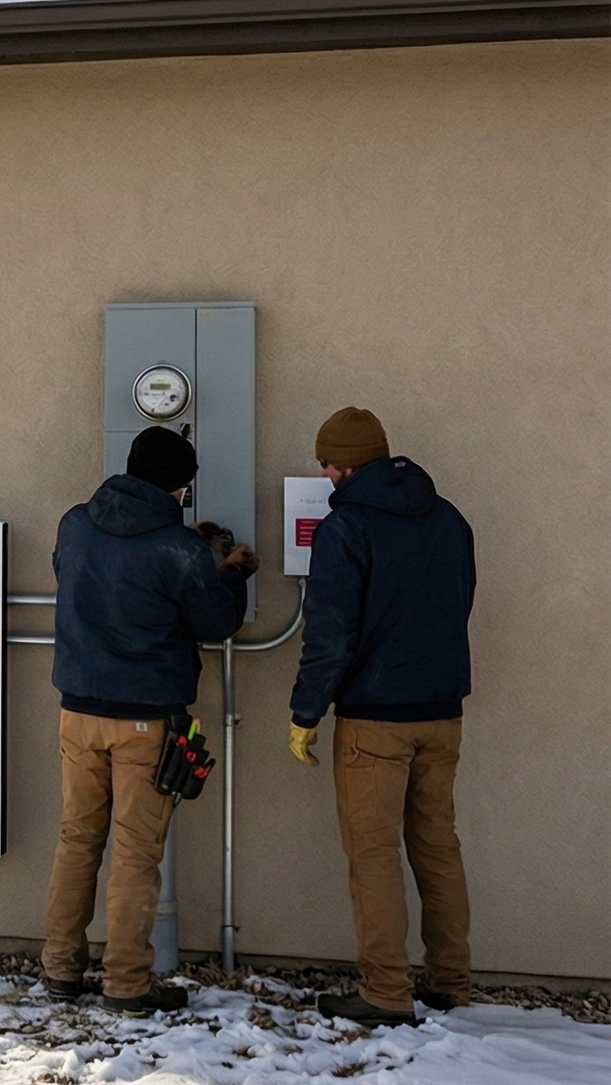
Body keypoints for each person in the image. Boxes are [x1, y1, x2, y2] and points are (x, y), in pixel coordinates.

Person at [44, 426, 257, 1015]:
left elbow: (97, 572)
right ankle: (127, 984)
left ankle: (60, 969)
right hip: (145, 722)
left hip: (78, 713)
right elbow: (214, 621)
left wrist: (182, 544)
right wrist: (232, 572)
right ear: (180, 489)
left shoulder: (75, 524)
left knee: (77, 840)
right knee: (136, 853)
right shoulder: (180, 550)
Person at [288, 407, 476, 1027]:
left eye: (325, 464)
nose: (323, 474)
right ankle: (450, 981)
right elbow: (461, 601)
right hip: (442, 713)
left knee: (373, 853)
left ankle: (386, 992)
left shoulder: (345, 528)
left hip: (374, 719)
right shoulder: (449, 518)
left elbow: (329, 634)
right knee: (437, 845)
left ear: (342, 465)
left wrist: (306, 712)